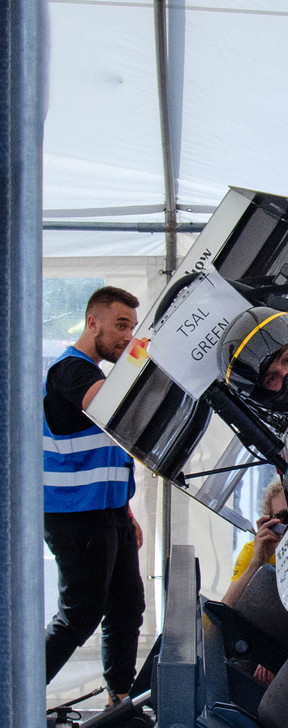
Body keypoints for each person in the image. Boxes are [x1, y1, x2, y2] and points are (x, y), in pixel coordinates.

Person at [43, 286, 145, 703]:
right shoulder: (71, 370)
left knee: (127, 608)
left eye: (132, 327)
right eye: (121, 325)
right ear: (92, 323)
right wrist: (144, 359)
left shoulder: (96, 373)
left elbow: (107, 452)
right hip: (74, 514)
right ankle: (16, 698)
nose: (128, 336)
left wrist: (127, 513)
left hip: (109, 511)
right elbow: (108, 404)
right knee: (80, 616)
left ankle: (119, 699)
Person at [221, 478, 288, 683]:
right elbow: (227, 608)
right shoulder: (253, 552)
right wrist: (257, 563)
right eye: (283, 518)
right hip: (258, 643)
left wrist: (272, 656)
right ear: (269, 521)